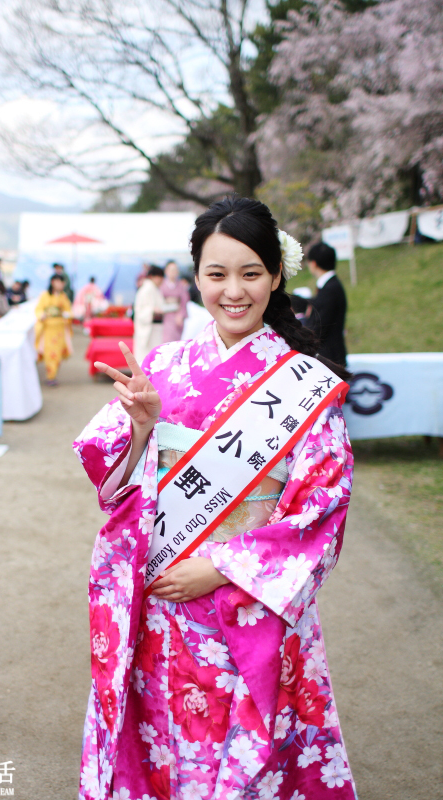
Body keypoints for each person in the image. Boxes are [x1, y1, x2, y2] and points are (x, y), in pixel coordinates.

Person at [73, 197, 356, 800]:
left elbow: (320, 509)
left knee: (231, 756)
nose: (234, 291)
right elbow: (113, 478)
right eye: (217, 274)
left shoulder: (303, 382)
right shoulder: (166, 364)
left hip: (242, 604)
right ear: (195, 276)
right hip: (162, 605)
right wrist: (145, 427)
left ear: (277, 276)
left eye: (251, 273)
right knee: (159, 742)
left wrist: (220, 568)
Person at [305, 242, 348, 366]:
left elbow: (318, 327)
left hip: (329, 359)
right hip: (331, 357)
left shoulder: (329, 290)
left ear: (313, 264)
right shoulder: (331, 286)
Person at [35, 273, 73, 385]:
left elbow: (68, 310)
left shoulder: (63, 296)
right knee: (49, 352)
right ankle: (50, 376)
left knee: (58, 353)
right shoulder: (45, 295)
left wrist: (67, 314)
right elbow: (38, 309)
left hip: (60, 328)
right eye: (58, 282)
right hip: (48, 328)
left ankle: (54, 374)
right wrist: (41, 315)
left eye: (62, 282)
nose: (60, 284)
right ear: (53, 282)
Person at [133, 265, 165, 364]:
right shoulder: (147, 289)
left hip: (154, 327)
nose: (161, 280)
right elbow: (140, 311)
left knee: (153, 356)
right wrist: (152, 310)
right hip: (148, 328)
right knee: (146, 357)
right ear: (152, 277)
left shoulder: (154, 289)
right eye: (159, 277)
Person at [160, 260, 189, 343]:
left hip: (177, 316)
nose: (173, 272)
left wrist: (181, 315)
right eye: (171, 270)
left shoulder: (181, 285)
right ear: (166, 271)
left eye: (175, 270)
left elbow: (184, 301)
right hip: (165, 316)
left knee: (177, 340)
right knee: (166, 340)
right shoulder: (162, 285)